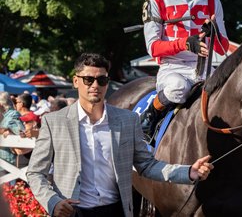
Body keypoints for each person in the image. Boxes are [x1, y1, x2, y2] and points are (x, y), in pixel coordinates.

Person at [26, 53, 213, 217]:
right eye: (88, 80)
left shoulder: (128, 120)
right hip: (71, 211)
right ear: (76, 81)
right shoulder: (54, 122)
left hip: (115, 211)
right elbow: (35, 173)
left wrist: (187, 172)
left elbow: (146, 165)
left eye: (102, 80)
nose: (95, 85)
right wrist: (52, 202)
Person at [142, 0, 229, 139]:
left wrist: (213, 31)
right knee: (177, 88)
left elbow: (223, 48)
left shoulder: (212, 0)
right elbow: (153, 48)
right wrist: (185, 43)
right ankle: (151, 114)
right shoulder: (156, 0)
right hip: (172, 68)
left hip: (204, 69)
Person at [0, 92, 24, 176]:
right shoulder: (4, 115)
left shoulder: (13, 115)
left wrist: (9, 131)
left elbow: (22, 133)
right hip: (3, 162)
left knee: (7, 187)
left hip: (7, 162)